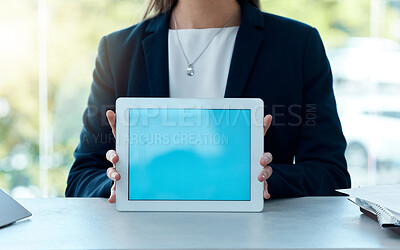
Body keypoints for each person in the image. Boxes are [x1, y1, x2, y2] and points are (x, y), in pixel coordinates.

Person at [65, 0, 351, 203]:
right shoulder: (117, 51)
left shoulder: (297, 46)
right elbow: (81, 178)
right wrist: (120, 183)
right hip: (144, 238)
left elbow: (331, 175)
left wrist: (263, 179)